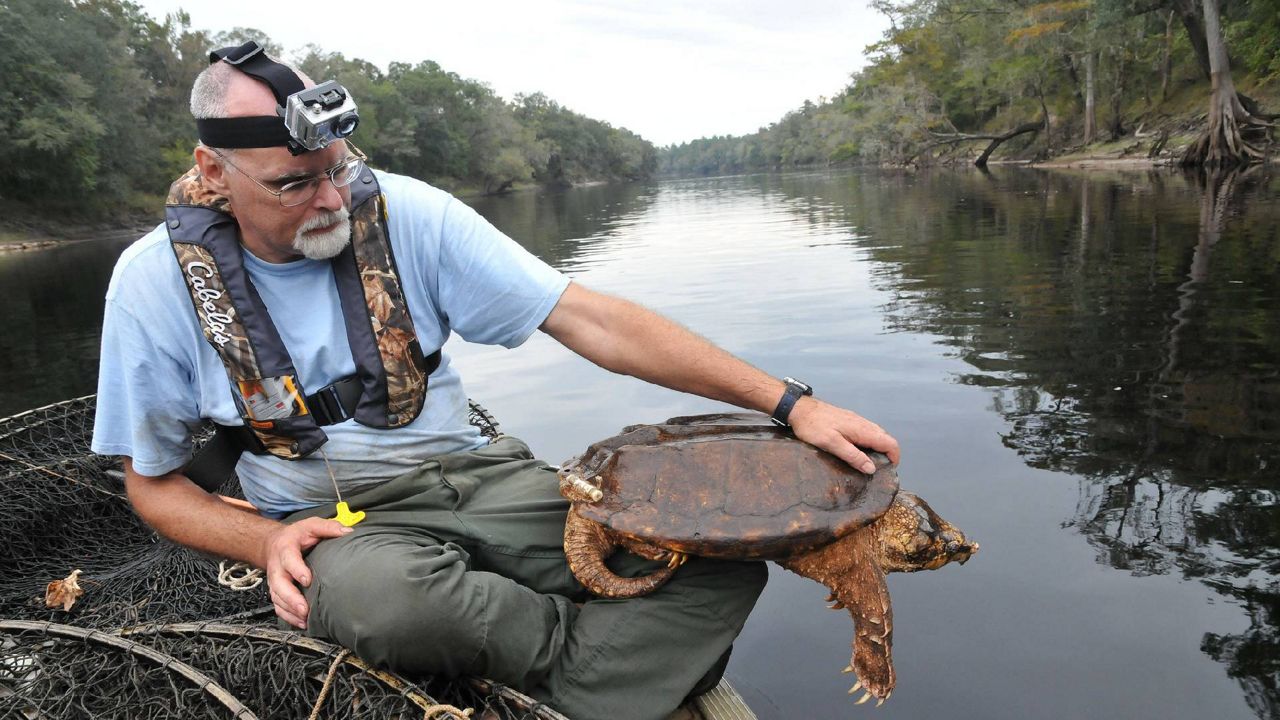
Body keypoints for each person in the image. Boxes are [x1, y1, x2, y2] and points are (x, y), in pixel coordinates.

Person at [91, 45, 900, 720]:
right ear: (212, 169)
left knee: (723, 551)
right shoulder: (153, 284)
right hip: (337, 519)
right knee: (395, 609)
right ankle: (622, 669)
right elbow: (154, 487)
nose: (331, 200)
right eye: (293, 184)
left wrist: (792, 403)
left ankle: (574, 680)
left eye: (337, 167)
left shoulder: (410, 214)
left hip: (483, 475)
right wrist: (263, 540)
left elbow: (593, 322)